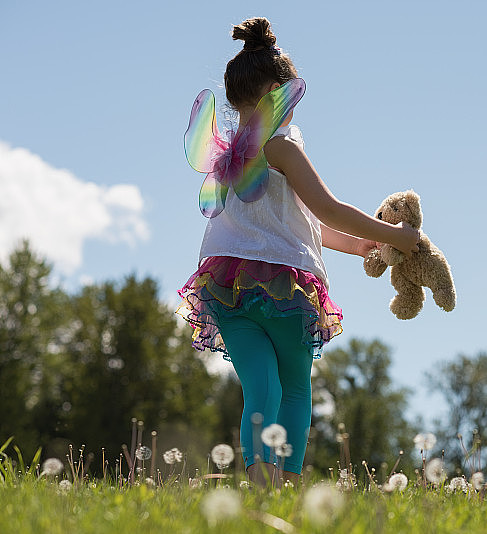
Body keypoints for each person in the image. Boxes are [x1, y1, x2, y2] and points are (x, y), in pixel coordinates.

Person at [177, 17, 419, 487]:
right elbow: (327, 208)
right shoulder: (281, 145)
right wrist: (396, 238)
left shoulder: (224, 153)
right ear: (276, 91)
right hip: (284, 290)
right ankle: (278, 484)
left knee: (261, 387)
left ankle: (265, 483)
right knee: (294, 392)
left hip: (229, 289)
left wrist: (362, 245)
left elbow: (299, 222)